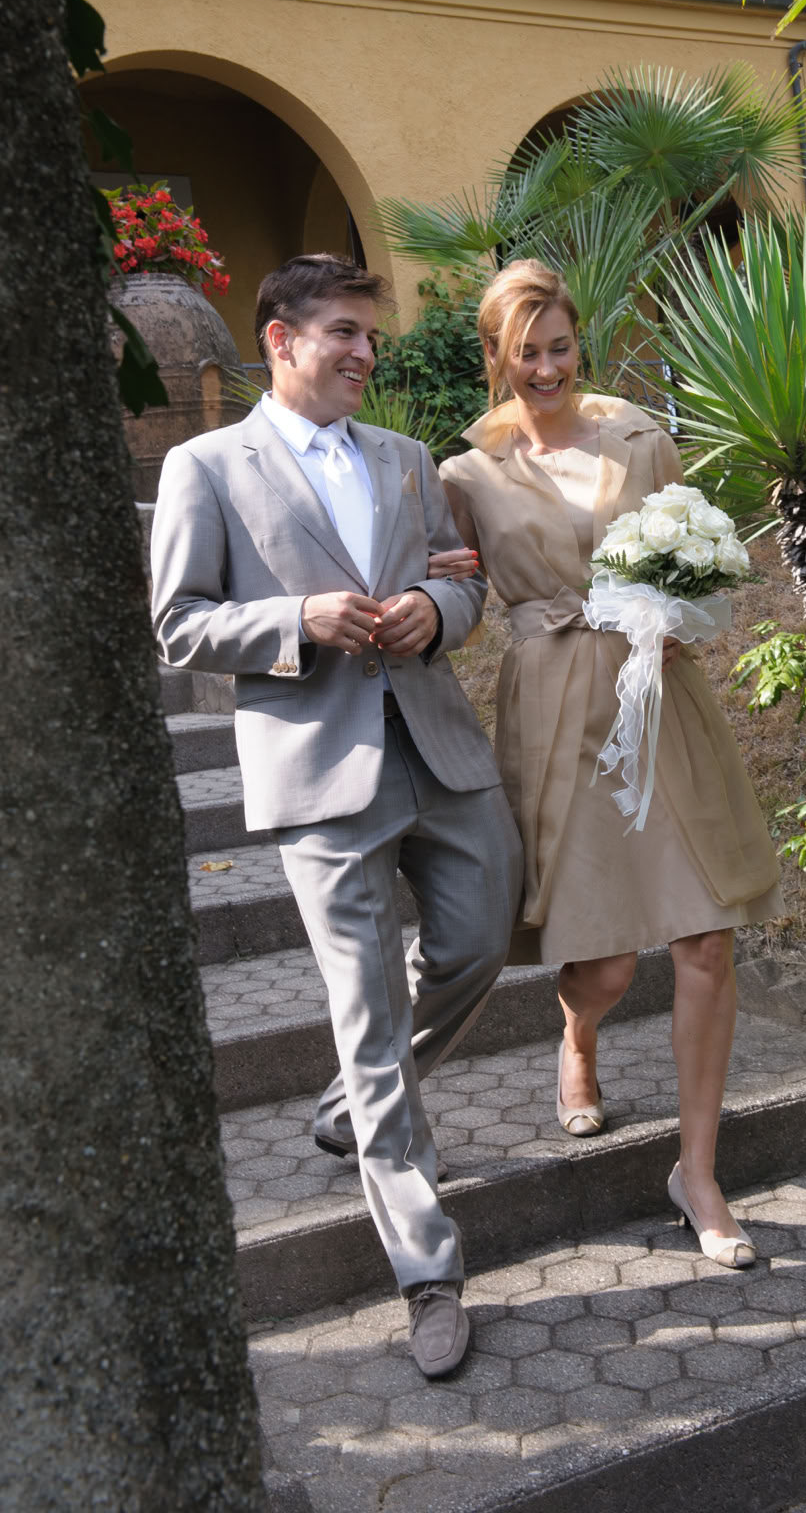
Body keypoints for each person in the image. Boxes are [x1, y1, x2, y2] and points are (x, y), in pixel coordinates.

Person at [150, 253, 522, 1376]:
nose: (366, 351)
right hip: (317, 774)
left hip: (440, 749)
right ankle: (428, 1271)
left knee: (478, 939)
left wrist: (432, 609)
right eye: (344, 334)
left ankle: (357, 1102)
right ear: (280, 339)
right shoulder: (205, 466)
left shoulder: (408, 460)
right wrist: (297, 617)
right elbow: (177, 625)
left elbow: (462, 581)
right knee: (366, 1016)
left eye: (369, 335)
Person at [435, 259, 783, 1269]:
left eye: (558, 346)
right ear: (496, 358)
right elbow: (451, 598)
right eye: (523, 351)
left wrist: (683, 618)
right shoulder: (465, 475)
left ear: (578, 341)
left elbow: (699, 558)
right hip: (555, 715)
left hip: (658, 699)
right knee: (604, 960)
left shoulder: (641, 437)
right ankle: (578, 1032)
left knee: (704, 938)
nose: (545, 368)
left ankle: (700, 1174)